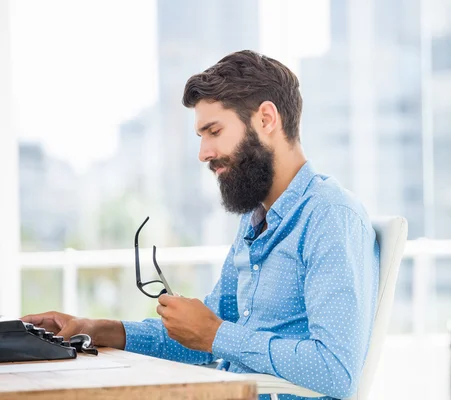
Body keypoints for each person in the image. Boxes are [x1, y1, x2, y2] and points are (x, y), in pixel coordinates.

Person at [22, 50, 379, 400]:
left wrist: (217, 335)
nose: (203, 153)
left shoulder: (330, 216)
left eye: (214, 131)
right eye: (201, 136)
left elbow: (336, 371)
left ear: (266, 119)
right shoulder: (254, 221)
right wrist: (103, 330)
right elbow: (201, 338)